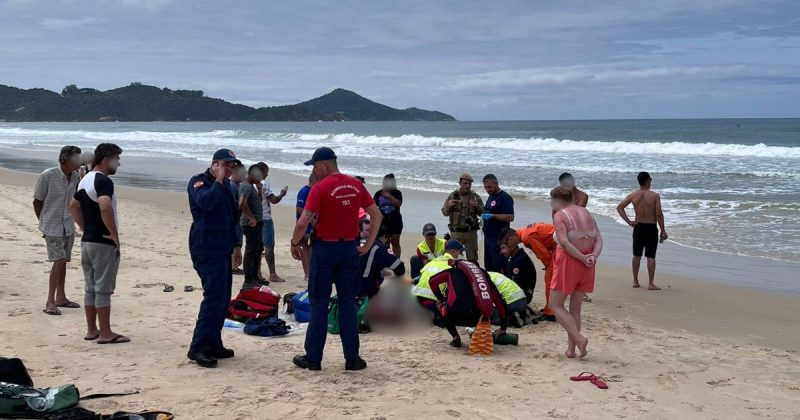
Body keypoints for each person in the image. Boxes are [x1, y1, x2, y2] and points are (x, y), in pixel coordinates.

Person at [289, 147, 382, 371]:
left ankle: (313, 358)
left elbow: (303, 222)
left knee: (319, 302)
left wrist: (294, 243)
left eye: (314, 166)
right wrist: (367, 245)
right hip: (348, 249)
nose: (314, 170)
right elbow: (376, 214)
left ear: (324, 164)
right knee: (348, 302)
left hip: (324, 249)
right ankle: (352, 358)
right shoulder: (355, 185)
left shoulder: (320, 188)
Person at [186, 149, 241, 368]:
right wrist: (218, 180)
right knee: (213, 297)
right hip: (206, 247)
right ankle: (198, 347)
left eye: (231, 166)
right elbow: (205, 203)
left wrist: (237, 245)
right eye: (225, 165)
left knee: (223, 298)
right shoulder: (200, 182)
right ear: (215, 164)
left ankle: (214, 342)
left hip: (223, 246)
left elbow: (233, 217)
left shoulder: (227, 185)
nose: (229, 169)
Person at [69, 143, 128, 345]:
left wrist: (84, 227)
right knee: (103, 288)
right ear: (106, 159)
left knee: (91, 287)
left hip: (88, 241)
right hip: (102, 242)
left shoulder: (85, 179)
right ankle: (105, 332)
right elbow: (104, 207)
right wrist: (114, 235)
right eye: (116, 159)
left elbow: (73, 206)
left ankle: (91, 329)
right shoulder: (103, 181)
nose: (118, 163)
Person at [549, 187, 603, 359]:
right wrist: (592, 256)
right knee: (575, 308)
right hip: (588, 263)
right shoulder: (587, 213)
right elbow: (599, 239)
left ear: (558, 200)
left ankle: (579, 339)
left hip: (570, 261)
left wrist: (581, 257)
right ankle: (572, 349)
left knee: (555, 304)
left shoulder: (560, 215)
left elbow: (564, 243)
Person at [33, 145, 82, 316]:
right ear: (64, 160)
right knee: (59, 260)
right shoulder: (48, 175)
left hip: (67, 225)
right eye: (76, 159)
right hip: (51, 225)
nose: (79, 162)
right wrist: (44, 223)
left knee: (63, 261)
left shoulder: (76, 176)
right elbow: (37, 201)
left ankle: (61, 297)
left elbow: (78, 199)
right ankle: (50, 301)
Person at [428, 260, 508, 348]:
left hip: (454, 315)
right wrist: (503, 328)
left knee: (440, 304)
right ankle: (481, 333)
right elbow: (499, 302)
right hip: (479, 319)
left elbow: (432, 281)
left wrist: (441, 298)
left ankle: (456, 338)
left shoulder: (452, 272)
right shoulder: (483, 276)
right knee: (488, 308)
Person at [616, 172, 668, 290]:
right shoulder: (654, 196)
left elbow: (619, 208)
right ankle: (650, 283)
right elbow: (659, 214)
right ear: (648, 181)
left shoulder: (633, 195)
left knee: (636, 255)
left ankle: (635, 281)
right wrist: (663, 231)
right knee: (650, 256)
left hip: (638, 227)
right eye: (650, 179)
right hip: (650, 228)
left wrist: (629, 222)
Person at [501, 224, 556, 322]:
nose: (510, 245)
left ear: (512, 237)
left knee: (550, 281)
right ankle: (551, 307)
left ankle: (550, 313)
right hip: (557, 240)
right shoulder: (524, 234)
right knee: (551, 280)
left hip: (558, 242)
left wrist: (548, 267)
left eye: (508, 242)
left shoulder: (526, 237)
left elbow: (543, 253)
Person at [559, 172, 592, 302]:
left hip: (580, 232)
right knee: (566, 260)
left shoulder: (582, 196)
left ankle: (580, 290)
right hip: (565, 230)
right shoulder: (563, 197)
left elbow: (577, 212)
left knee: (580, 260)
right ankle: (566, 288)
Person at [412, 240, 464, 320]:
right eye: (460, 252)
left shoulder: (434, 260)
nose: (462, 255)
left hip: (416, 297)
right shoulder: (453, 264)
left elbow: (421, 275)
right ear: (453, 252)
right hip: (431, 299)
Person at [255, 162, 288, 283]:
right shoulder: (264, 184)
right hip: (265, 218)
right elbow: (273, 200)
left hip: (253, 219)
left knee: (257, 247)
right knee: (269, 246)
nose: (267, 174)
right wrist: (282, 194)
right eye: (266, 171)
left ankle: (257, 273)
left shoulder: (248, 183)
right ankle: (272, 274)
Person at [442, 173, 483, 262]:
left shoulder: (475, 196)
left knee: (472, 259)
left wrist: (477, 206)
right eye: (465, 183)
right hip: (456, 233)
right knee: (453, 259)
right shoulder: (453, 196)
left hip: (471, 233)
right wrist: (448, 206)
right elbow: (444, 212)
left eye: (469, 184)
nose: (468, 186)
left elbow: (483, 214)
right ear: (460, 183)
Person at [359, 225, 405, 299]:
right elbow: (400, 267)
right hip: (366, 288)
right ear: (384, 236)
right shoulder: (380, 248)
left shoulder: (360, 242)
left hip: (347, 283)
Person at [481, 174, 514, 271]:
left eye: (490, 187)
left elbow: (510, 217)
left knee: (498, 267)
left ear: (496, 183)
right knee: (489, 267)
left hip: (499, 239)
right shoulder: (490, 197)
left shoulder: (505, 197)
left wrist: (493, 216)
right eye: (486, 187)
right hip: (488, 238)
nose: (488, 190)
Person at [240, 165, 265, 289]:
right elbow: (242, 203)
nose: (264, 177)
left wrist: (259, 190)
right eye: (262, 175)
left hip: (256, 222)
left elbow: (258, 203)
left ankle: (254, 277)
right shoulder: (246, 186)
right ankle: (248, 279)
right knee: (251, 251)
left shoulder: (252, 187)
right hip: (250, 224)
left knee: (257, 250)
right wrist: (251, 218)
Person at [498, 228, 536, 304]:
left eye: (503, 248)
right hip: (522, 294)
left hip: (522, 297)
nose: (501, 252)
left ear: (511, 246)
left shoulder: (520, 261)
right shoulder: (516, 257)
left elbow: (515, 284)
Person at [373, 174, 403, 257]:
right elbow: (373, 207)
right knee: (384, 243)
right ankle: (386, 261)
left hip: (395, 221)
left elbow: (398, 204)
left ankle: (397, 261)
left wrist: (390, 197)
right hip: (382, 222)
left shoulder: (397, 193)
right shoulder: (378, 194)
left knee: (395, 243)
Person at [295, 172, 318, 282]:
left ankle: (312, 271)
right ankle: (307, 274)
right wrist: (312, 220)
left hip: (313, 226)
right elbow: (299, 208)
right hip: (305, 226)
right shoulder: (304, 191)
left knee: (312, 249)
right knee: (304, 249)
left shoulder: (314, 191)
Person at [228, 160, 246, 275]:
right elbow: (236, 206)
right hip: (234, 220)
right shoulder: (233, 186)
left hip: (234, 220)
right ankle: (233, 266)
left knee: (235, 241)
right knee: (235, 242)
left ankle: (233, 265)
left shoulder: (234, 186)